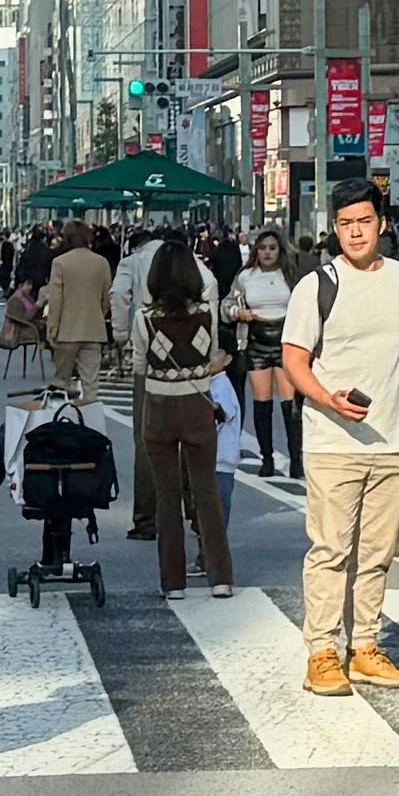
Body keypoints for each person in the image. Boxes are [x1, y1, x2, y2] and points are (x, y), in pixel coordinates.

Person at [280, 185, 399, 698]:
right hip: (332, 441)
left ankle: (366, 645)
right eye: (346, 222)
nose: (354, 231)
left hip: (394, 439)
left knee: (377, 554)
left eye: (364, 221)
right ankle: (323, 651)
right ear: (335, 227)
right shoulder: (317, 286)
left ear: (383, 224)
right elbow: (293, 360)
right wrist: (327, 399)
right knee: (330, 550)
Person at [128, 236, 238, 599]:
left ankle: (173, 582)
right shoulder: (206, 315)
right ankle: (220, 576)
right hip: (196, 407)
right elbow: (211, 360)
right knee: (205, 493)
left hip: (159, 409)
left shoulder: (145, 321)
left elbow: (140, 365)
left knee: (167, 495)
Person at [226, 231, 299, 480]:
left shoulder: (289, 276)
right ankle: (266, 458)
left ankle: (296, 458)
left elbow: (305, 305)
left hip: (285, 338)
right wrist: (239, 312)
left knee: (290, 404)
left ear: (280, 251)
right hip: (256, 338)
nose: (267, 252)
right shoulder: (245, 276)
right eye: (263, 248)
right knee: (262, 402)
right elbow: (226, 306)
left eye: (272, 248)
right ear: (256, 251)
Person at [40, 221, 116, 398]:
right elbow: (107, 297)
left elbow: (56, 299)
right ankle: (91, 421)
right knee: (91, 383)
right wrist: (98, 314)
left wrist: (52, 327)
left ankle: (65, 420)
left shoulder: (60, 263)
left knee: (62, 381)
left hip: (67, 331)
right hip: (94, 329)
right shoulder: (101, 262)